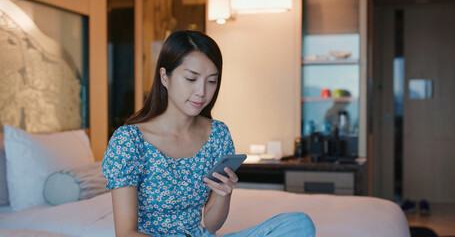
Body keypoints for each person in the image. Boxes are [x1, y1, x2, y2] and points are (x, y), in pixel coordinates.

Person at [102, 30, 316, 237]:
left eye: (211, 81)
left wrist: (225, 193)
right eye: (191, 79)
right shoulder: (129, 141)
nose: (202, 92)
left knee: (299, 224)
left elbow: (212, 225)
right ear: (164, 77)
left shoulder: (218, 135)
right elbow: (126, 233)